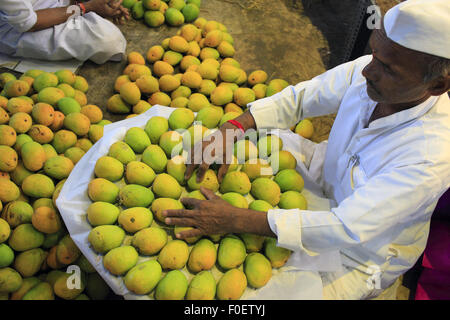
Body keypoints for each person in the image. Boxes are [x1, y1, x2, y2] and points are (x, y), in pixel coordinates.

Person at [162, 0, 450, 300]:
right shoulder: (373, 72)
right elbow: (303, 99)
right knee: (255, 140)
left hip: (358, 253)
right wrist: (234, 126)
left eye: (388, 68)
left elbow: (346, 227)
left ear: (438, 85)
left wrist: (237, 219)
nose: (367, 71)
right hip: (325, 173)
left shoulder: (431, 156)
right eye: (373, 54)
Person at [0, 0, 129, 64]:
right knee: (107, 39)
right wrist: (87, 7)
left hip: (61, 6)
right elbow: (29, 23)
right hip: (23, 28)